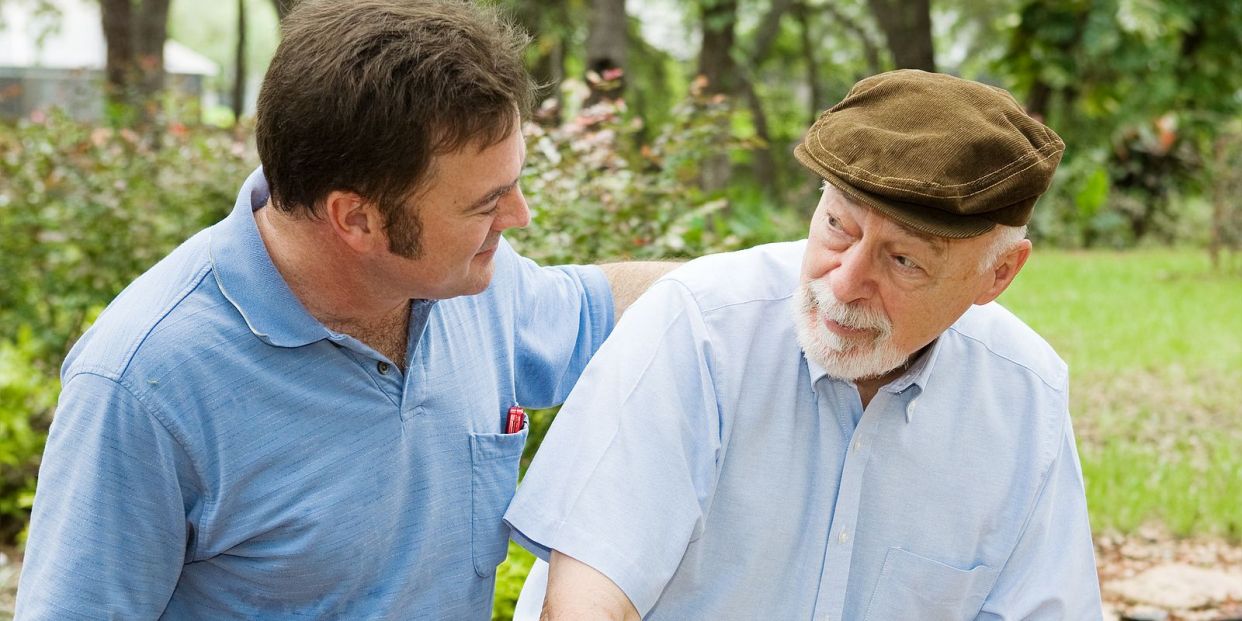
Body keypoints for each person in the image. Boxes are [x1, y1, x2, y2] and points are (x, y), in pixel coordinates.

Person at [15, 1, 670, 618]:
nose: (520, 216)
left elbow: (619, 306)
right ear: (356, 218)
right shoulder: (142, 386)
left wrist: (766, 279)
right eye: (485, 203)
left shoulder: (474, 288)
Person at [505, 70, 1103, 620]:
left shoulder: (1025, 394)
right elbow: (585, 603)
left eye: (903, 261)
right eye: (839, 227)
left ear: (998, 275)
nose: (842, 283)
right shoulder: (699, 328)